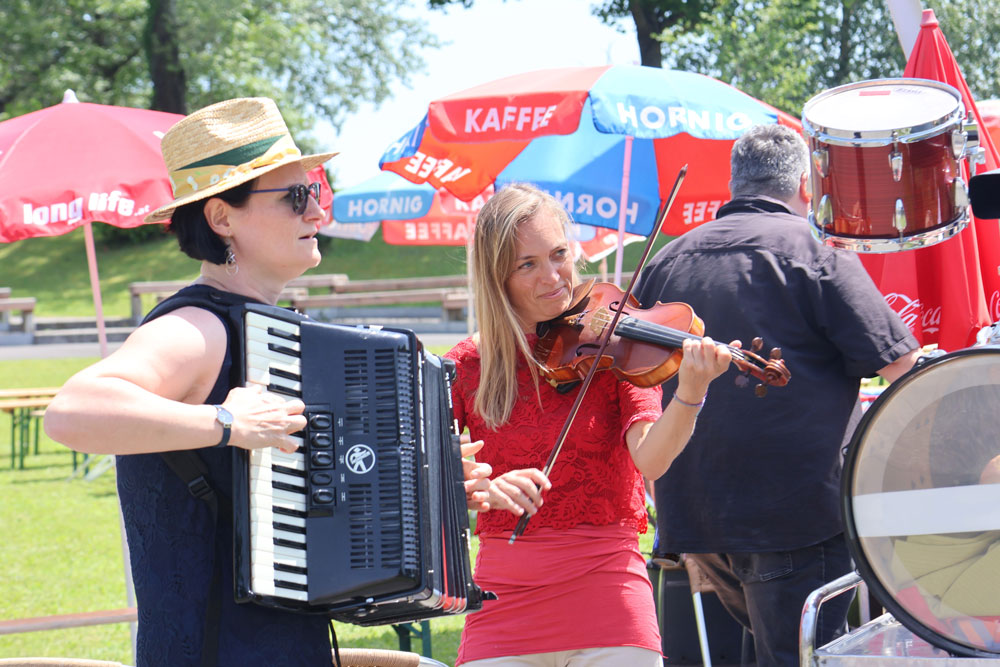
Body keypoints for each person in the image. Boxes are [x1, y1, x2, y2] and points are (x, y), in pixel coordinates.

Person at [43, 97, 492, 666]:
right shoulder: (198, 326)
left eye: (316, 192)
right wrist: (228, 422)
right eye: (296, 197)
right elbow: (72, 410)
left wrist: (435, 489)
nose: (316, 212)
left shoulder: (281, 334)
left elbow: (327, 501)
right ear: (221, 217)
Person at [633, 123, 922, 666]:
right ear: (806, 186)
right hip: (789, 512)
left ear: (735, 183)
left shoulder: (667, 260)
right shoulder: (814, 250)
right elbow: (905, 365)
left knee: (765, 649)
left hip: (696, 511)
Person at [445, 182, 733, 666]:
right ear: (498, 278)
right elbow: (410, 468)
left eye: (559, 253)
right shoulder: (469, 364)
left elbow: (652, 458)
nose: (553, 277)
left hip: (608, 592)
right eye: (527, 264)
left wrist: (691, 392)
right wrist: (477, 483)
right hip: (503, 599)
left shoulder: (615, 342)